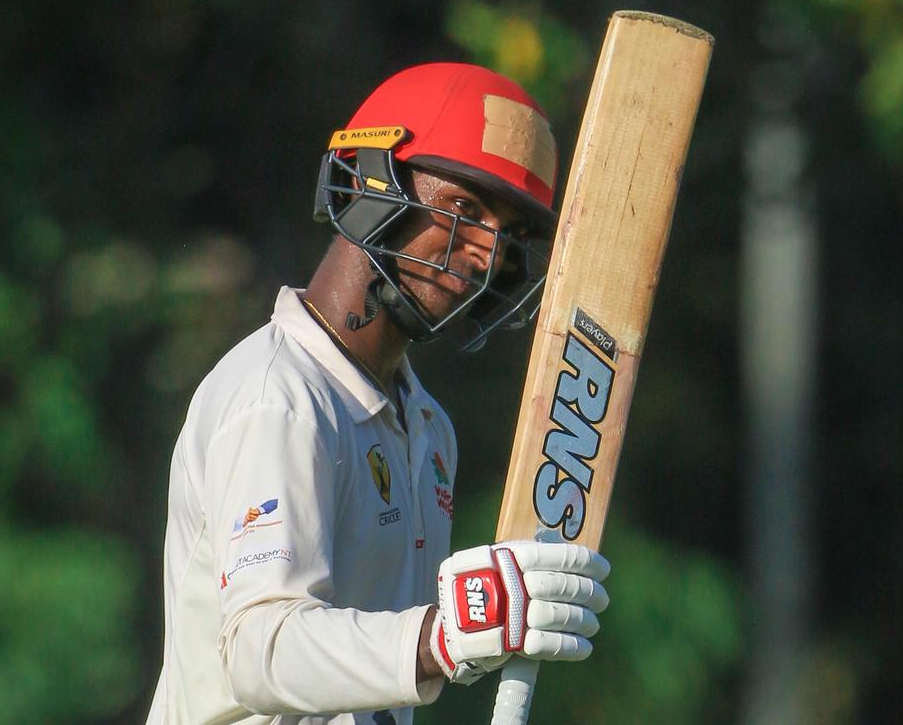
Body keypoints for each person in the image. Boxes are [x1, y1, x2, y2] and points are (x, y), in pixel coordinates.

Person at [145, 63, 611, 725]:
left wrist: (499, 622)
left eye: (507, 236)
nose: (485, 254)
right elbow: (258, 650)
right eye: (465, 210)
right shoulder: (279, 399)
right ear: (373, 184)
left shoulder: (426, 426)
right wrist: (442, 636)